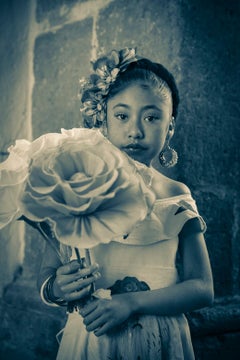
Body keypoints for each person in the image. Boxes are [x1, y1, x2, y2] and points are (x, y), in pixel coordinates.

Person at [38, 48, 214, 359]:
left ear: (170, 127)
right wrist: (57, 288)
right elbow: (48, 276)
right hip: (93, 340)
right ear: (103, 121)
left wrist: (132, 302)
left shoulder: (175, 196)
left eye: (151, 117)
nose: (134, 130)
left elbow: (202, 287)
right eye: (122, 116)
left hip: (159, 339)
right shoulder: (76, 188)